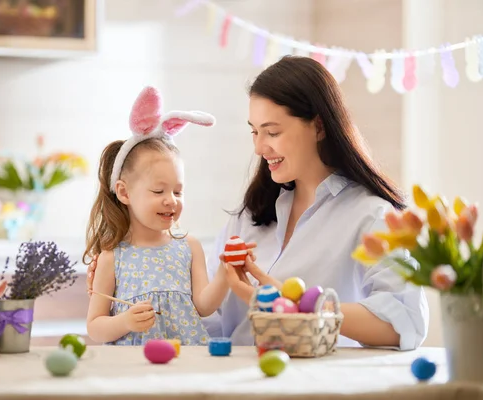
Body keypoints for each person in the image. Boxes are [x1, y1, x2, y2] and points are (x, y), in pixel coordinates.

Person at [88, 56, 429, 351]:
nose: (259, 147)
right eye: (254, 132)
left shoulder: (370, 216)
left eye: (272, 132)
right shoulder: (249, 218)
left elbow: (404, 323)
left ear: (319, 126)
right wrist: (135, 285)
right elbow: (207, 317)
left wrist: (292, 302)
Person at [83, 86, 230, 346]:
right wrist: (125, 321)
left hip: (185, 366)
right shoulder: (113, 257)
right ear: (124, 192)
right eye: (158, 190)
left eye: (178, 191)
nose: (171, 200)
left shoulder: (189, 247)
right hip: (135, 371)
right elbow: (95, 326)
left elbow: (204, 306)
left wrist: (226, 274)